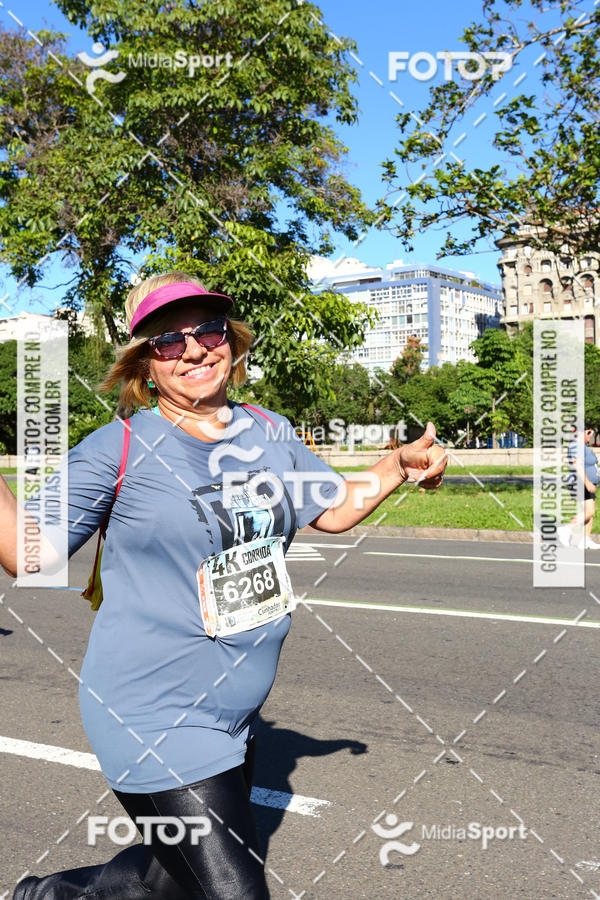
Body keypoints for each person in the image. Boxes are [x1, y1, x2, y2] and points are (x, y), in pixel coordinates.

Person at [1, 271, 447, 899]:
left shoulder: (269, 430)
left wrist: (397, 463)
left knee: (166, 883)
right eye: (167, 340)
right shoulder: (118, 448)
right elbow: (30, 556)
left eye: (207, 331)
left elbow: (335, 508)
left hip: (235, 715)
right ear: (145, 363)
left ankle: (51, 894)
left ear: (230, 341)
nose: (193, 350)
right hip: (152, 711)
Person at [558, 423, 600, 550]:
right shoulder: (576, 446)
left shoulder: (583, 447)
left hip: (587, 484)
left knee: (590, 513)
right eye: (589, 433)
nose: (590, 436)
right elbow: (577, 465)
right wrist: (587, 483)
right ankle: (565, 530)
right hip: (580, 483)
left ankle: (585, 540)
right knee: (589, 511)